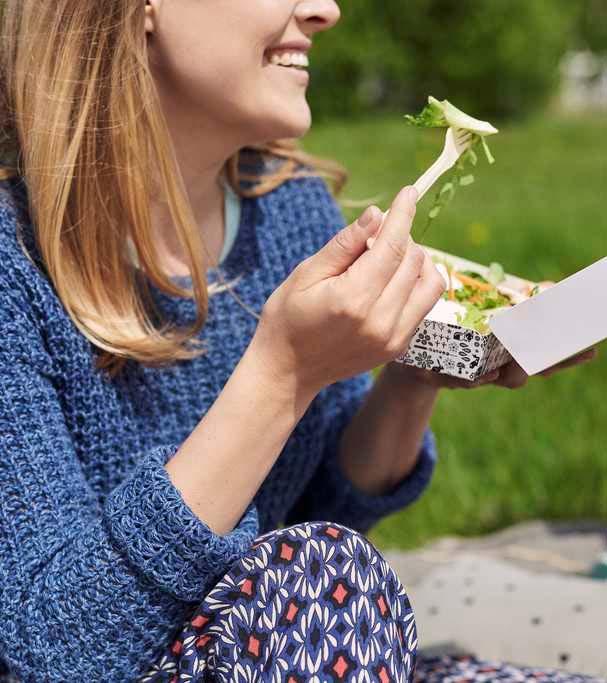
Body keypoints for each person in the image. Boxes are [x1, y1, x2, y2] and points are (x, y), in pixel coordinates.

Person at [0, 1, 598, 681]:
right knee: (316, 579)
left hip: (287, 647)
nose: (324, 10)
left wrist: (412, 375)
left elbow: (325, 516)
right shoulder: (12, 268)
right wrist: (280, 375)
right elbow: (53, 650)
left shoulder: (288, 209)